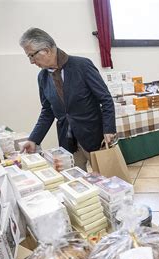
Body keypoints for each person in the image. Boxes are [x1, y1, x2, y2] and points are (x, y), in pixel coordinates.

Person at [19, 28, 116, 169]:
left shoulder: (82, 66)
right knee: (77, 183)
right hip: (68, 140)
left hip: (93, 135)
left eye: (31, 56)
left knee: (106, 179)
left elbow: (105, 99)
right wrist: (34, 139)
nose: (31, 62)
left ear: (46, 50)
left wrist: (109, 129)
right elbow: (47, 111)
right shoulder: (43, 77)